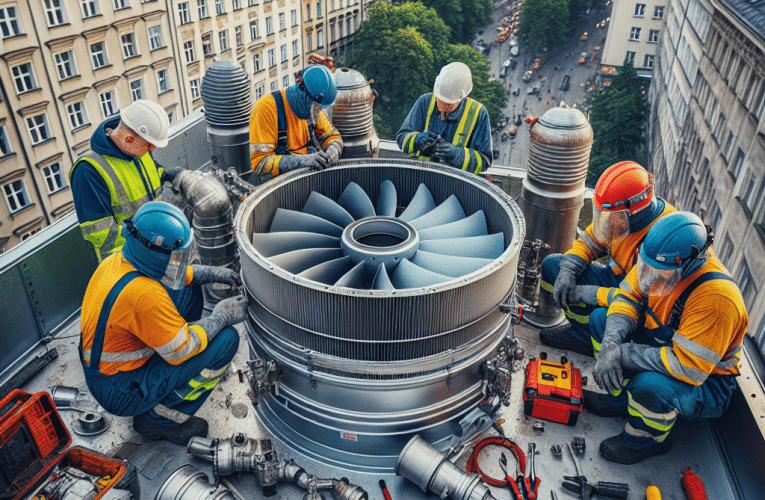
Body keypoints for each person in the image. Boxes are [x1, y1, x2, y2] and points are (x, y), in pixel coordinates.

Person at [79, 201, 248, 446]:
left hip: (105, 369)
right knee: (226, 341)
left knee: (188, 290)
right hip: (120, 390)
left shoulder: (118, 261)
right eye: (176, 255)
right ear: (155, 253)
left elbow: (174, 275)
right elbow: (183, 349)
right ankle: (161, 419)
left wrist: (208, 273)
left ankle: (169, 365)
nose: (179, 260)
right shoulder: (144, 295)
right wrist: (220, 318)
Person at [584, 212, 747, 464]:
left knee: (649, 386)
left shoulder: (718, 300)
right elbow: (626, 297)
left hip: (704, 381)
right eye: (646, 267)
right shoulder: (658, 259)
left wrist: (622, 354)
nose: (649, 278)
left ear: (686, 266)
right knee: (600, 321)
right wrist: (610, 346)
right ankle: (619, 400)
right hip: (666, 346)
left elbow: (688, 367)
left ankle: (646, 439)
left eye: (658, 272)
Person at [538, 161, 676, 356]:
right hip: (617, 282)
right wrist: (569, 269)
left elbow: (633, 301)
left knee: (601, 317)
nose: (608, 220)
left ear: (633, 212)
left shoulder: (663, 242)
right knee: (554, 265)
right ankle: (579, 332)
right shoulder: (622, 217)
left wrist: (586, 293)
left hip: (638, 309)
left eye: (613, 215)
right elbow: (590, 241)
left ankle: (592, 342)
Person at [70, 100, 184, 263]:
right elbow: (102, 235)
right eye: (150, 145)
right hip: (125, 262)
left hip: (156, 247)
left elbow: (151, 175)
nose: (152, 150)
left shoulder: (137, 151)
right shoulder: (88, 171)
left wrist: (169, 175)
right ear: (128, 139)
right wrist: (146, 243)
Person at [249, 64, 343, 178]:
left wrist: (334, 149)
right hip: (277, 184)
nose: (319, 112)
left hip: (303, 178)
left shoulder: (312, 109)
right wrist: (302, 160)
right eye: (317, 107)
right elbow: (260, 164)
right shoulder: (266, 109)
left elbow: (331, 136)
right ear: (304, 96)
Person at [396, 62, 492, 174]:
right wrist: (417, 140)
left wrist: (456, 154)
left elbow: (484, 161)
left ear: (461, 97)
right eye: (439, 99)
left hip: (455, 180)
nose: (441, 106)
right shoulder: (424, 102)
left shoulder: (478, 113)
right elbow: (402, 139)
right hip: (421, 172)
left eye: (448, 104)